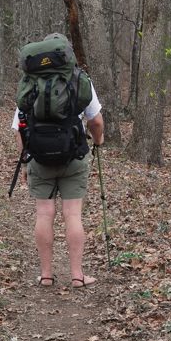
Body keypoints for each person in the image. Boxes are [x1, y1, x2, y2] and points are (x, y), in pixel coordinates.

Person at [12, 34, 105, 288]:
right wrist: (98, 141)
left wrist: (25, 160)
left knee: (44, 213)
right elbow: (96, 121)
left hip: (39, 157)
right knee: (72, 214)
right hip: (73, 154)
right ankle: (77, 276)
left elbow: (20, 127)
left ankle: (46, 276)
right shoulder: (79, 79)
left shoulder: (30, 81)